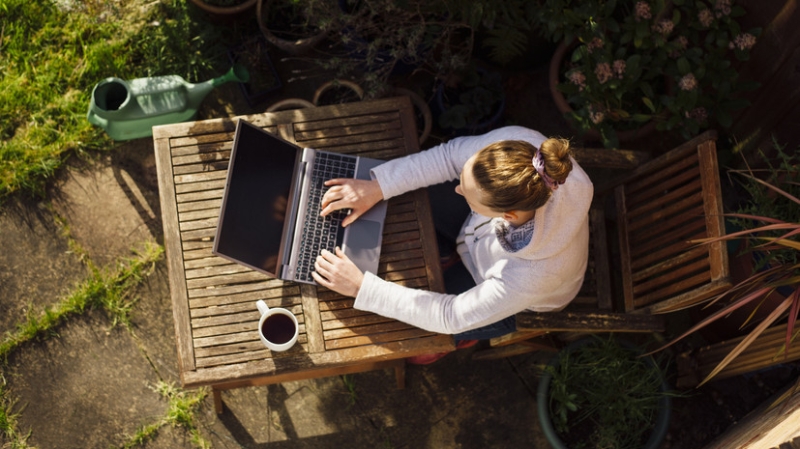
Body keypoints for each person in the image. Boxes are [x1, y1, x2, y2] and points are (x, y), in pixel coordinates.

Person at [311, 126, 594, 364]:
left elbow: (451, 314)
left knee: (414, 343)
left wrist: (362, 288)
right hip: (481, 239)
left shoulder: (532, 276)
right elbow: (447, 157)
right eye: (463, 180)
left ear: (507, 216)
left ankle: (467, 335)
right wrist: (378, 187)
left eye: (468, 195)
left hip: (520, 300)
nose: (457, 189)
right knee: (415, 195)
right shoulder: (520, 151)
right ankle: (453, 250)